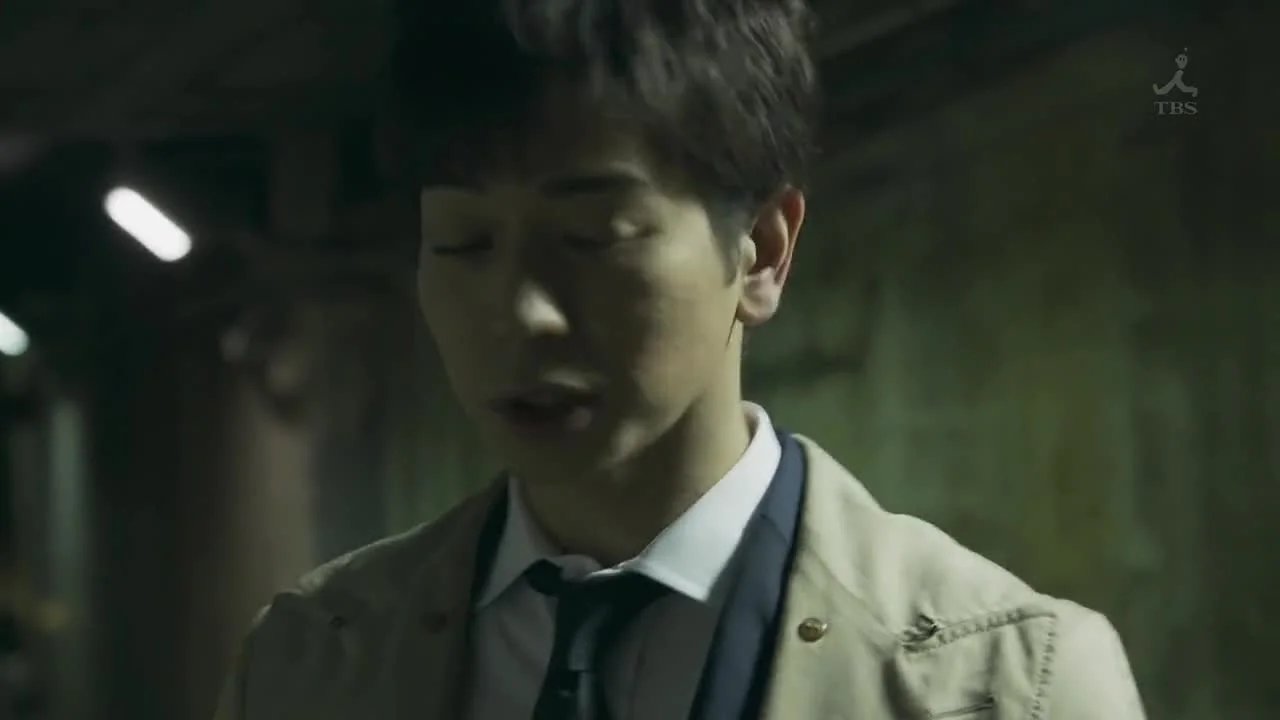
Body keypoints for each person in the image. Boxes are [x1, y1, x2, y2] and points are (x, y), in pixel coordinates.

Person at [214, 0, 1147, 717]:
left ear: (763, 251)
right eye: (463, 243)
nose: (520, 313)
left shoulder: (1010, 685)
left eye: (594, 237)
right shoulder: (310, 661)